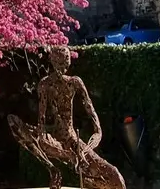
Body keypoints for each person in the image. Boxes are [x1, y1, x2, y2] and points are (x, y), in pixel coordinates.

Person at [8, 47, 126, 189]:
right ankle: (53, 170)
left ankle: (91, 181)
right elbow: (42, 129)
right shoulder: (45, 85)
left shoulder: (75, 83)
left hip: (72, 140)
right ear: (52, 62)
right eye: (59, 63)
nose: (62, 68)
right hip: (53, 139)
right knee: (15, 123)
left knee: (115, 177)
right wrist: (65, 154)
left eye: (65, 63)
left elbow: (97, 129)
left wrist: (86, 148)